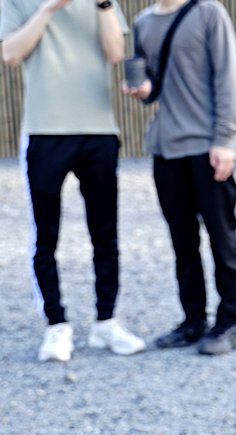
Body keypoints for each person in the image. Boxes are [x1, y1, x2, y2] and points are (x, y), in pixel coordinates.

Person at [1, 0, 146, 362]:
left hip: (98, 131)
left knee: (105, 234)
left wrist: (102, 4)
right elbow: (10, 53)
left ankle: (105, 322)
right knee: (46, 235)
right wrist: (49, 8)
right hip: (44, 131)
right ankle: (56, 325)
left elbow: (115, 54)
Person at [124, 0, 236, 355]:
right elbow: (155, 83)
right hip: (166, 149)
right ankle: (193, 321)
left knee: (222, 240)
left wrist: (225, 139)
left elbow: (228, 77)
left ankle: (228, 322)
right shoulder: (143, 22)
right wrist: (144, 90)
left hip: (208, 146)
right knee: (182, 242)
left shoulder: (209, 12)